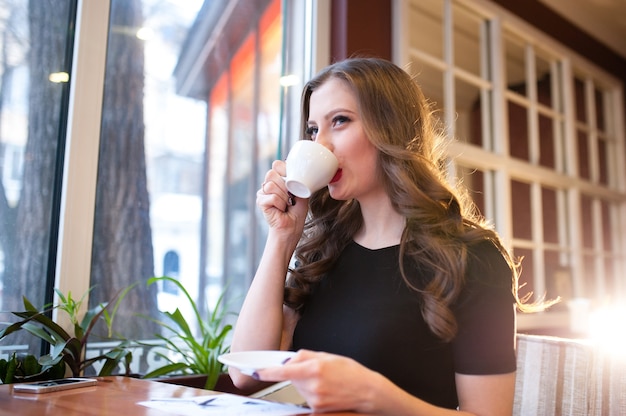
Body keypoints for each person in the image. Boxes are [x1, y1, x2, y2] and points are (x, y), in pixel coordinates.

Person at [229, 57, 541, 415]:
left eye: (340, 121)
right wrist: (282, 237)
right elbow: (243, 374)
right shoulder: (322, 252)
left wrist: (375, 396)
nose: (321, 144)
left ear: (389, 128)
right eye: (314, 130)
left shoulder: (472, 258)